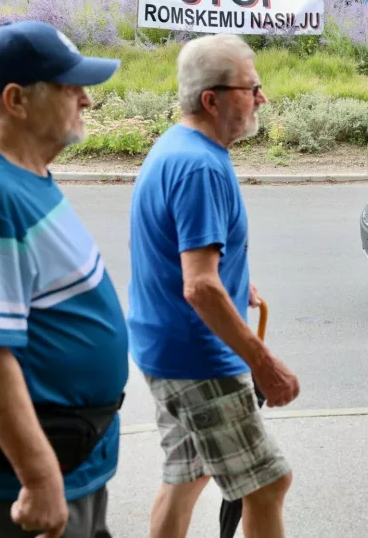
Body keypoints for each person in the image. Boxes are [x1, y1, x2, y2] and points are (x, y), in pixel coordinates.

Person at [0, 21, 128, 538]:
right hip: (20, 484)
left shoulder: (24, 174)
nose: (85, 99)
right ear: (16, 100)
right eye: (70, 87)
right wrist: (39, 480)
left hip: (71, 459)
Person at [128, 34, 298, 538]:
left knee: (187, 474)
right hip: (199, 357)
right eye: (252, 87)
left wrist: (236, 282)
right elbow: (199, 287)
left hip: (169, 348)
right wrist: (263, 364)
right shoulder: (200, 165)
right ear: (212, 99)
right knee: (268, 484)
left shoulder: (179, 147)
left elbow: (186, 258)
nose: (262, 97)